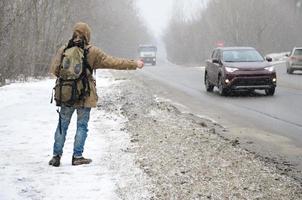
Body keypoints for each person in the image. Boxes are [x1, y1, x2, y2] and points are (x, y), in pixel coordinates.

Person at [49, 22, 144, 167]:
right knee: (82, 126)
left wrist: (69, 77)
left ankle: (56, 156)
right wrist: (134, 64)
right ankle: (77, 156)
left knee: (62, 124)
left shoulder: (64, 49)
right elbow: (113, 62)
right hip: (85, 95)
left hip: (66, 94)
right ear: (87, 35)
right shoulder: (92, 52)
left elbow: (55, 70)